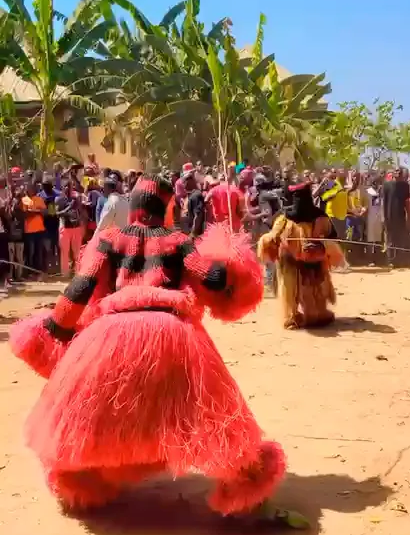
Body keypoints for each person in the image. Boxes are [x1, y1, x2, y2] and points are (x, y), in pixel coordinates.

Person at [10, 174, 285, 516]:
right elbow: (213, 280)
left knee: (96, 410)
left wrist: (52, 327)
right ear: (165, 208)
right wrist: (230, 254)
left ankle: (83, 477)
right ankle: (246, 477)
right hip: (173, 330)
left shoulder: (109, 239)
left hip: (110, 332)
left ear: (133, 206)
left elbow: (80, 289)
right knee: (203, 410)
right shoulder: (179, 240)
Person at [258, 182, 339, 329]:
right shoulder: (285, 219)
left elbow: (332, 238)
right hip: (290, 260)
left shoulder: (319, 218)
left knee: (315, 288)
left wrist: (320, 246)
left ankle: (316, 314)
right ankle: (292, 317)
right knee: (290, 290)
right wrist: (272, 240)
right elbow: (272, 237)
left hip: (314, 260)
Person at [55, 181, 84, 278]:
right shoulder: (58, 199)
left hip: (76, 228)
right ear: (62, 187)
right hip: (65, 228)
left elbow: (80, 212)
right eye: (65, 186)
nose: (68, 188)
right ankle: (65, 274)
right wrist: (68, 209)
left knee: (77, 252)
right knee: (64, 252)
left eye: (69, 186)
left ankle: (78, 273)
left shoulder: (75, 198)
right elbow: (56, 214)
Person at [382, 168, 410, 266]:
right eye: (396, 171)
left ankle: (400, 260)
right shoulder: (386, 185)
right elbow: (384, 202)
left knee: (400, 239)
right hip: (389, 216)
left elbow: (407, 202)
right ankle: (391, 261)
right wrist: (384, 217)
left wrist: (408, 216)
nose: (398, 173)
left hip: (401, 216)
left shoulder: (405, 186)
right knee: (390, 239)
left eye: (400, 171)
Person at [21, 181, 46, 276]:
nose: (30, 190)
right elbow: (25, 214)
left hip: (40, 229)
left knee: (38, 252)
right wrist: (37, 211)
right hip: (29, 231)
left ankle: (37, 271)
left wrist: (34, 211)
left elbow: (45, 212)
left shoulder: (39, 199)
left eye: (32, 188)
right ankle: (29, 271)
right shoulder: (23, 200)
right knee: (30, 253)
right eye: (28, 188)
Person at [320, 170, 348, 238]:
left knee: (341, 238)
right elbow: (324, 197)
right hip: (332, 215)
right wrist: (335, 193)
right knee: (333, 237)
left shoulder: (339, 184)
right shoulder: (328, 186)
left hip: (342, 215)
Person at [41, 175, 60, 273]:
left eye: (47, 185)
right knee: (48, 248)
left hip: (56, 225)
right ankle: (49, 268)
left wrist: (50, 209)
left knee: (57, 247)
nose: (45, 187)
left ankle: (58, 267)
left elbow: (54, 212)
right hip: (45, 225)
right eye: (44, 185)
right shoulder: (40, 195)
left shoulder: (57, 194)